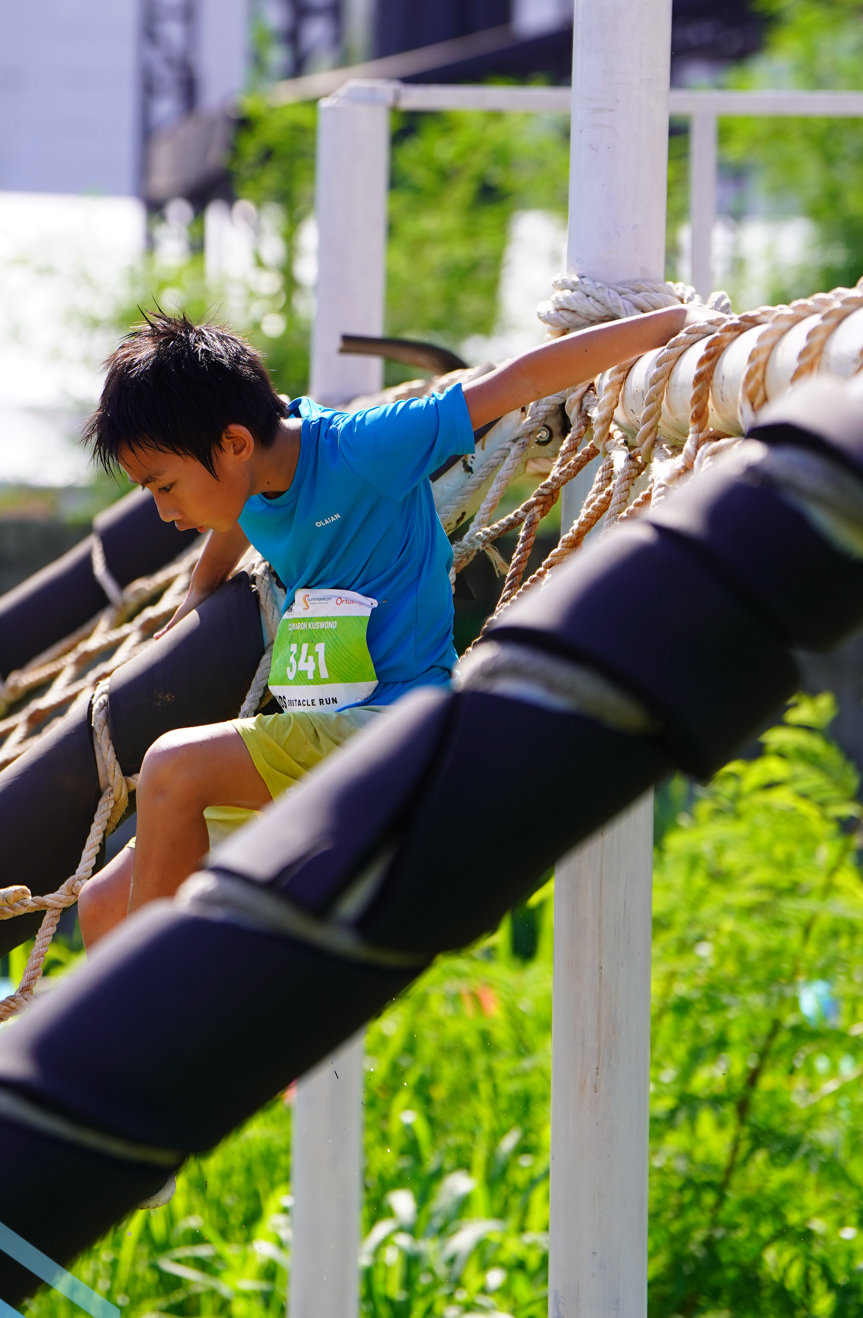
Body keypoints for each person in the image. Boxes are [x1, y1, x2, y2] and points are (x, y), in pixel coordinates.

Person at [77, 304, 686, 948]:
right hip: (315, 734)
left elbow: (518, 382)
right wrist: (200, 590)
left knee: (173, 766)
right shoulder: (249, 473)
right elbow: (239, 515)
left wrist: (670, 322)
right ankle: (182, 1006)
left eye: (164, 486)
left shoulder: (361, 449)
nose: (163, 510)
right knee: (103, 904)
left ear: (234, 443)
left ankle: (147, 998)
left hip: (394, 728)